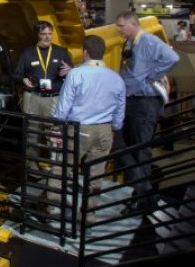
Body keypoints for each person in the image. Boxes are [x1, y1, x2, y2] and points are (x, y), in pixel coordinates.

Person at [46, 35, 126, 223]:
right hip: (105, 131)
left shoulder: (76, 74)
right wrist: (113, 127)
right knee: (95, 176)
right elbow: (119, 113)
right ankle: (88, 215)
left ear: (85, 52)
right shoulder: (116, 78)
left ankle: (52, 209)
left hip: (79, 129)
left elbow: (64, 107)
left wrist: (57, 126)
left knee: (62, 169)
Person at [114, 11, 180, 214]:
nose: (119, 30)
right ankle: (144, 193)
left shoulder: (148, 41)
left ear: (133, 25)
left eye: (121, 26)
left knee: (138, 150)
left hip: (143, 103)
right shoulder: (132, 43)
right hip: (134, 102)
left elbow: (173, 57)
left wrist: (153, 75)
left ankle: (144, 196)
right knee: (126, 147)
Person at [12, 20, 73, 174]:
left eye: (49, 34)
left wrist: (70, 70)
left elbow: (73, 73)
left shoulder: (61, 52)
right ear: (37, 35)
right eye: (43, 34)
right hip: (33, 97)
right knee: (31, 134)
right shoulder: (27, 53)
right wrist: (22, 80)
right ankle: (32, 168)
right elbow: (16, 74)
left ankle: (56, 168)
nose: (47, 37)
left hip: (53, 98)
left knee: (54, 134)